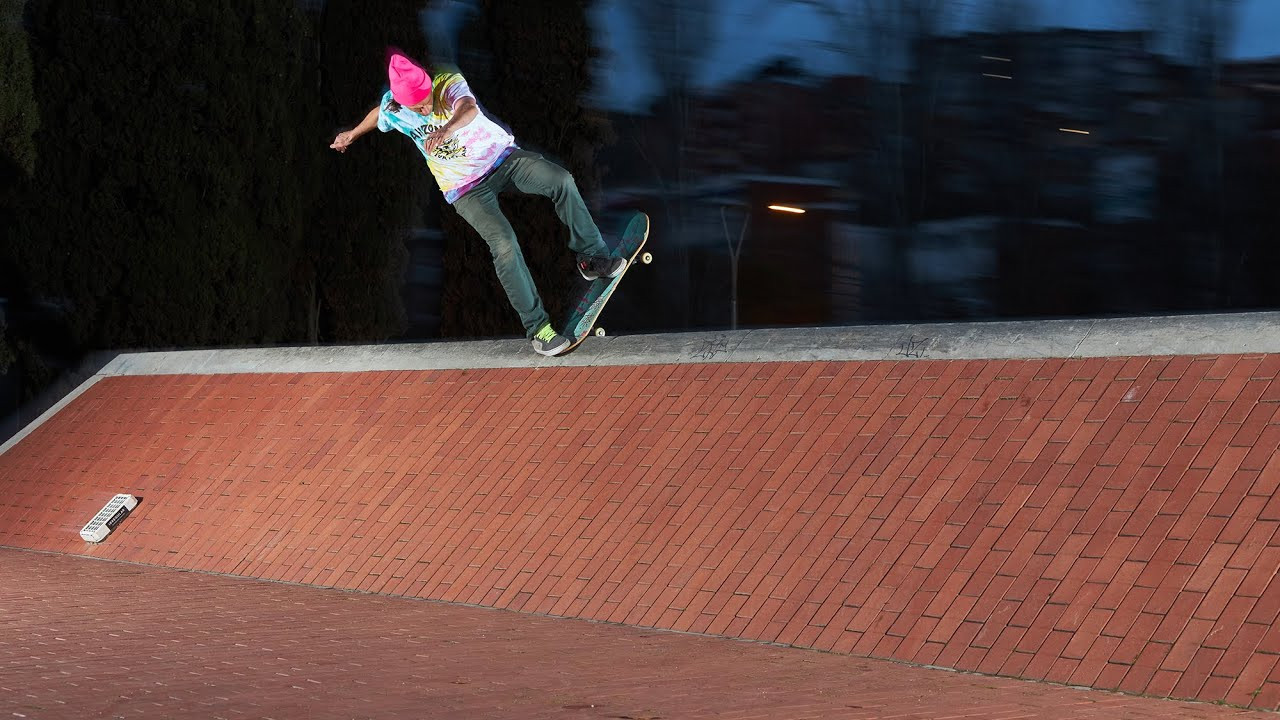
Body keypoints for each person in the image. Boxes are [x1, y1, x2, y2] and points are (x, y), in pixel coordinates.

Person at [330, 51, 625, 357]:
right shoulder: (395, 106)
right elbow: (379, 112)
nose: (426, 107)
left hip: (502, 159)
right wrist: (351, 133)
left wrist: (446, 128)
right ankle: (539, 329)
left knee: (561, 180)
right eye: (418, 107)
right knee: (504, 244)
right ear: (404, 104)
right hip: (464, 188)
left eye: (427, 99)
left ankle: (592, 259)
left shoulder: (447, 84)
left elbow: (468, 108)